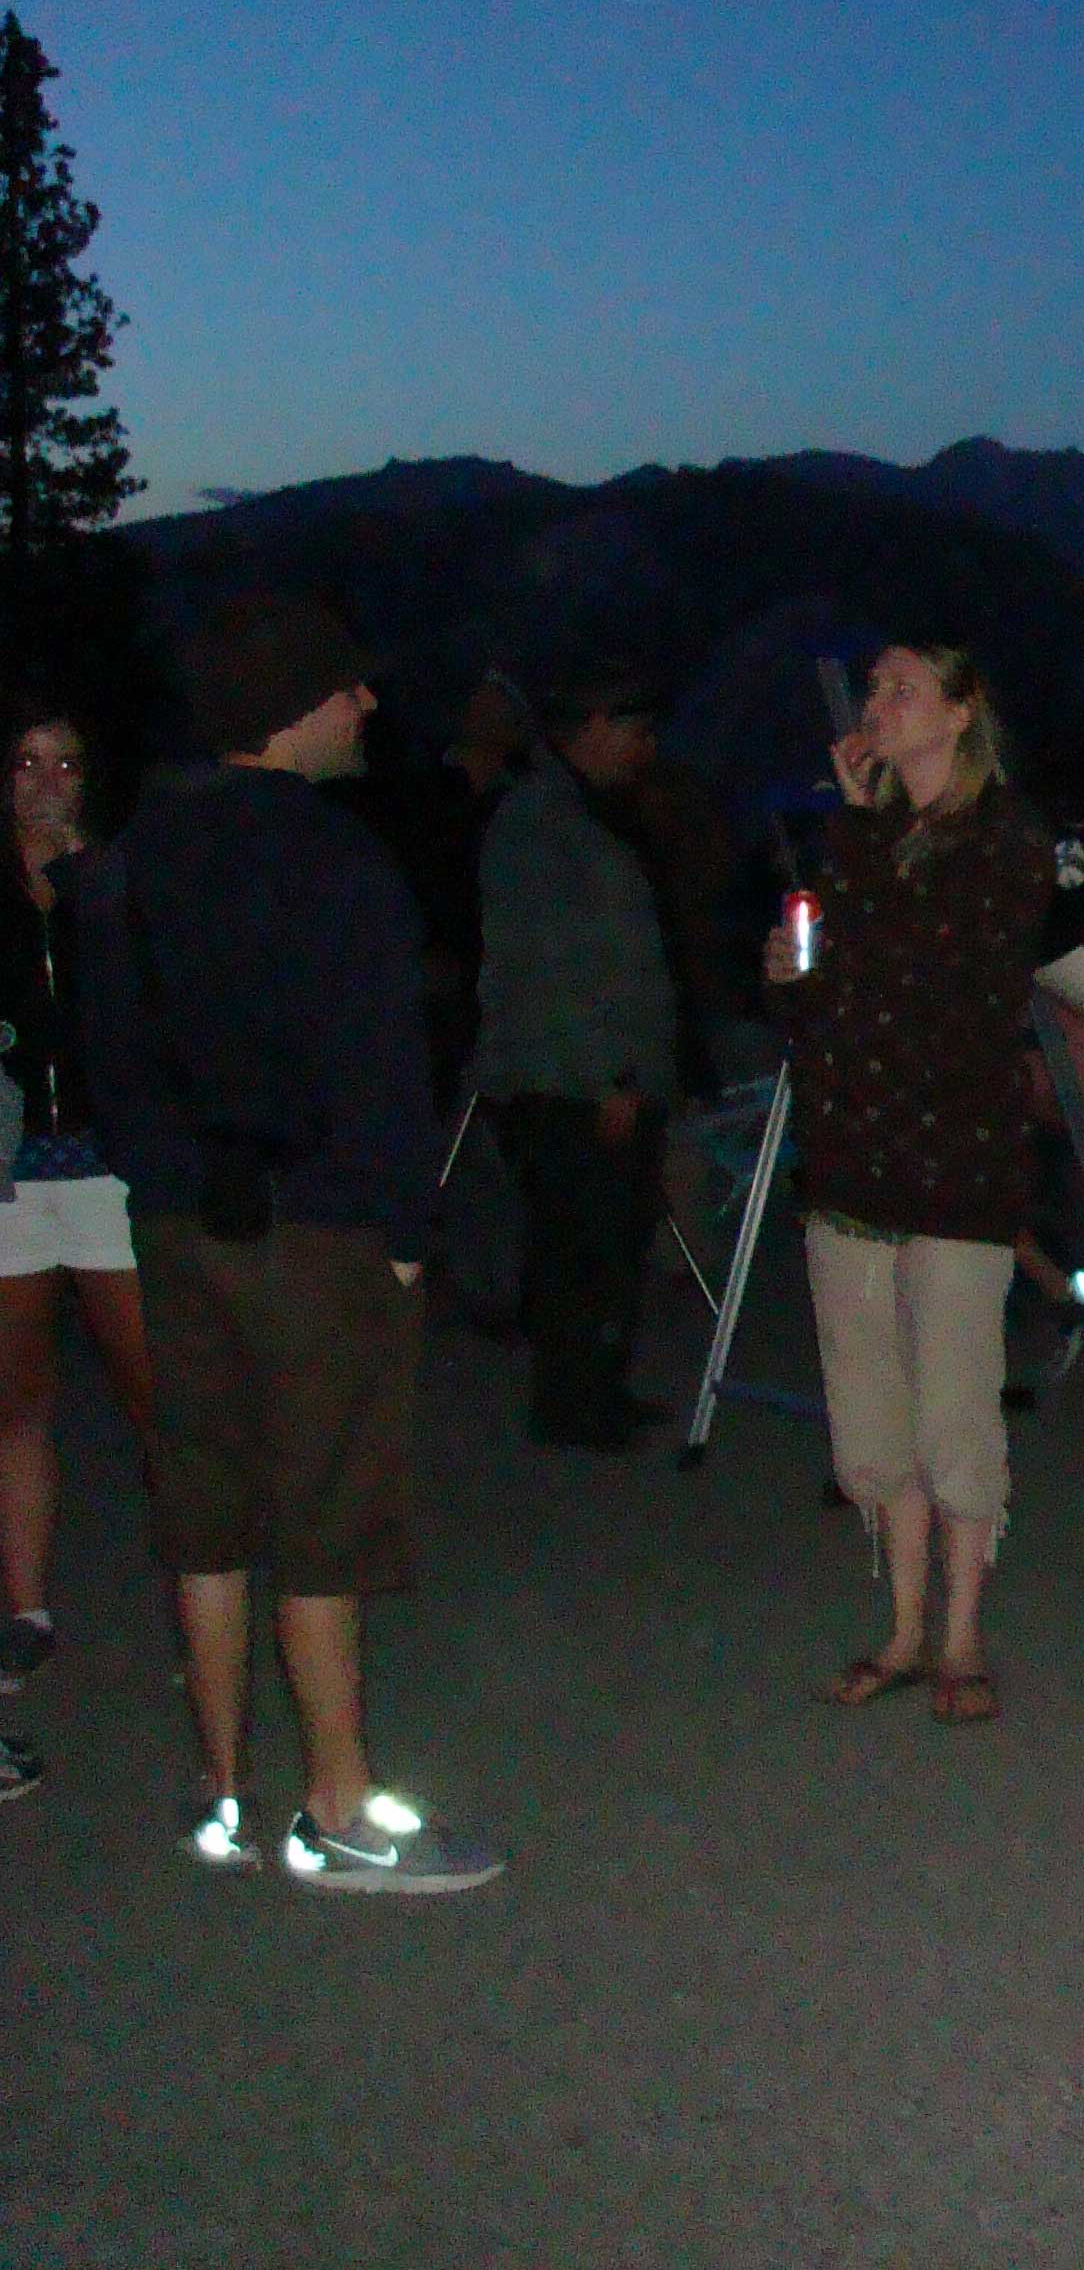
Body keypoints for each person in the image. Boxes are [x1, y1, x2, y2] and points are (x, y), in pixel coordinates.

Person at [69, 595, 502, 1892]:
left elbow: (109, 1059)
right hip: (317, 1232)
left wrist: (170, 1182)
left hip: (179, 1227)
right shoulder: (333, 859)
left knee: (205, 1502)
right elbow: (381, 1066)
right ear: (288, 706)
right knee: (325, 1508)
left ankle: (223, 1792)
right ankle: (340, 1807)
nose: (367, 704)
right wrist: (407, 1234)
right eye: (345, 686)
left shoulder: (132, 858)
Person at [771, 640, 1056, 1727]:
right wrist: (792, 972)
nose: (877, 706)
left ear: (960, 711)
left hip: (956, 1163)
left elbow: (939, 968)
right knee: (868, 1418)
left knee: (953, 1413)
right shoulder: (861, 838)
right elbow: (828, 999)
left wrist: (857, 841)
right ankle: (900, 1629)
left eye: (903, 689)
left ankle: (962, 1633)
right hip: (853, 1152)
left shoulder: (1005, 837)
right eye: (876, 688)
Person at [469, 660, 681, 1452]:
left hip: (599, 1070)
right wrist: (607, 1079)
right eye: (634, 730)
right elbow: (554, 963)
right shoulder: (541, 822)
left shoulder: (589, 811)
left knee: (612, 1236)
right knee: (581, 1241)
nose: (645, 747)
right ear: (593, 727)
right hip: (571, 1077)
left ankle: (598, 1389)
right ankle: (572, 1405)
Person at [0, 704, 154, 1701]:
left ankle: (202, 1587)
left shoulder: (118, 877)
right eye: (27, 762)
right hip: (11, 1169)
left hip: (107, 1165)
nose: (47, 782)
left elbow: (153, 996)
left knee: (155, 1391)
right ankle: (25, 1609)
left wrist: (85, 880)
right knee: (16, 1400)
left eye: (67, 763)